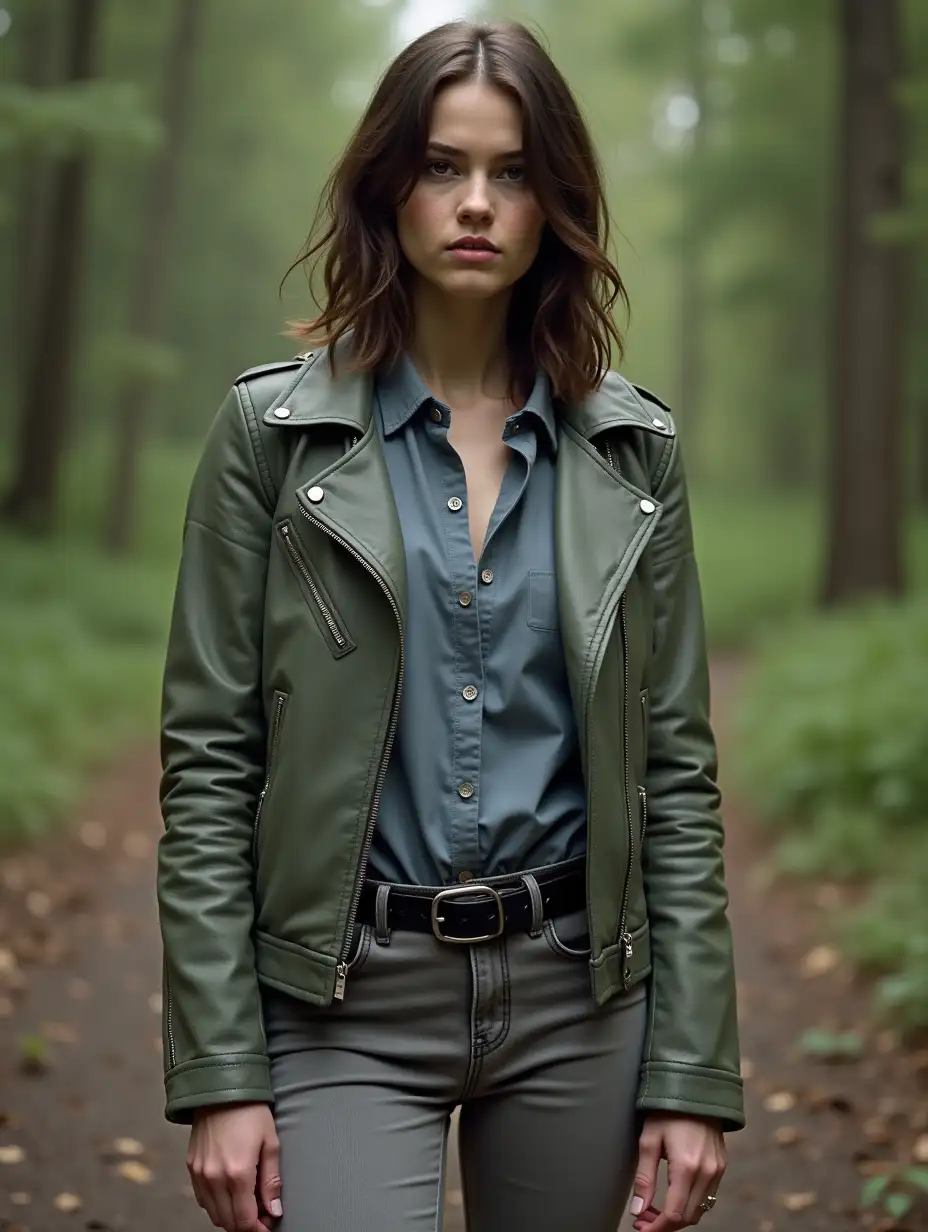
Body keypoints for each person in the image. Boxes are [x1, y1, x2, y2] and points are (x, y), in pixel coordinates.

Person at [156, 19, 744, 1232]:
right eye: (441, 166)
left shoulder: (634, 449)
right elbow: (209, 764)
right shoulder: (270, 439)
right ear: (389, 188)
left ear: (553, 203)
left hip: (579, 999)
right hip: (345, 999)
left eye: (512, 171)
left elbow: (676, 777)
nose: (475, 202)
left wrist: (691, 1074)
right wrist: (221, 1070)